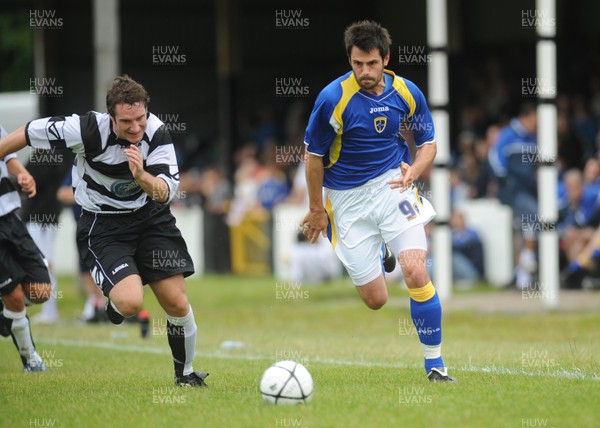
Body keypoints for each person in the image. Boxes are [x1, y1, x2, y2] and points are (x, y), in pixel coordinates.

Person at [0, 75, 208, 387]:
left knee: (177, 302)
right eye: (126, 121)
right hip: (103, 224)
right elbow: (29, 132)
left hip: (151, 218)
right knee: (129, 304)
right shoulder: (86, 129)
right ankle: (112, 300)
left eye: (140, 118)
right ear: (111, 117)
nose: (136, 127)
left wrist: (141, 176)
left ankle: (186, 374)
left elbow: (164, 192)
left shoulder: (157, 132)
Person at [300, 20, 454, 382]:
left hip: (393, 186)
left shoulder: (406, 92)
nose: (365, 72)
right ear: (350, 60)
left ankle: (436, 365)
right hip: (346, 200)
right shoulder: (332, 99)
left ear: (386, 58)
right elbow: (313, 157)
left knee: (416, 269)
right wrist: (316, 209)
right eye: (357, 64)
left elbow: (428, 143)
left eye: (371, 63)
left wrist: (414, 170)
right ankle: (382, 247)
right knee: (376, 300)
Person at [0, 123, 53, 371]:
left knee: (41, 291)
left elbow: (8, 154)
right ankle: (31, 359)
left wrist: (23, 174)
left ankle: (5, 310)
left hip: (10, 216)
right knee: (15, 297)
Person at [488, 102, 538, 289]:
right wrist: (504, 181)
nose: (538, 123)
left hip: (531, 191)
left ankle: (521, 277)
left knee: (521, 228)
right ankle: (528, 260)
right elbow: (495, 157)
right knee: (533, 216)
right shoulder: (508, 134)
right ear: (526, 117)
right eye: (535, 119)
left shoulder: (533, 137)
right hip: (515, 190)